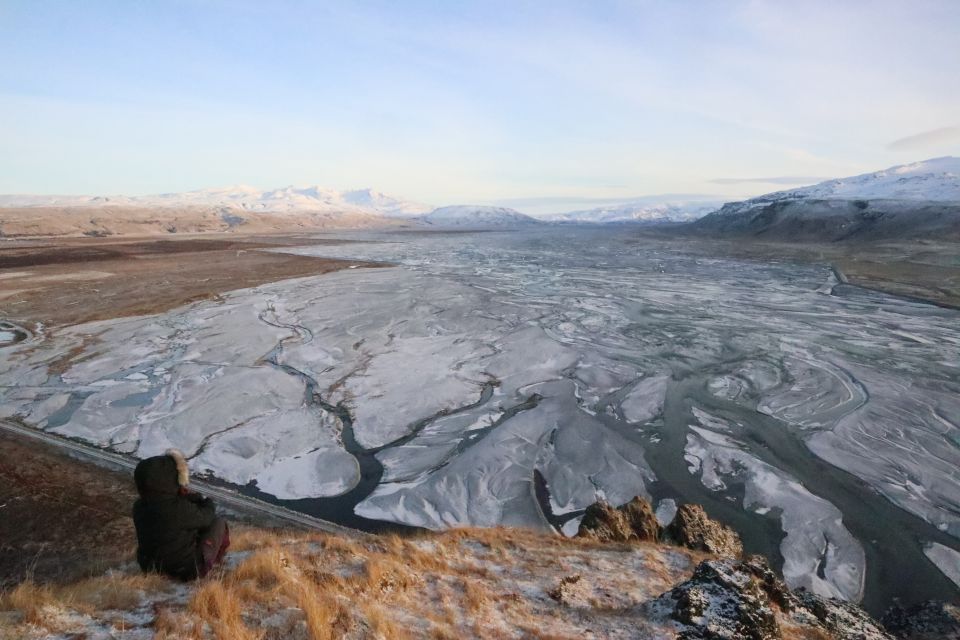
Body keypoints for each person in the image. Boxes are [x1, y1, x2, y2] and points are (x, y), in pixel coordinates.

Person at [133, 449, 230, 580]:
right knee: (219, 523)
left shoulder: (139, 506)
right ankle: (212, 565)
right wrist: (206, 501)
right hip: (184, 571)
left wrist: (185, 497)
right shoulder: (178, 508)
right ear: (171, 480)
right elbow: (207, 517)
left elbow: (166, 509)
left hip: (150, 567)